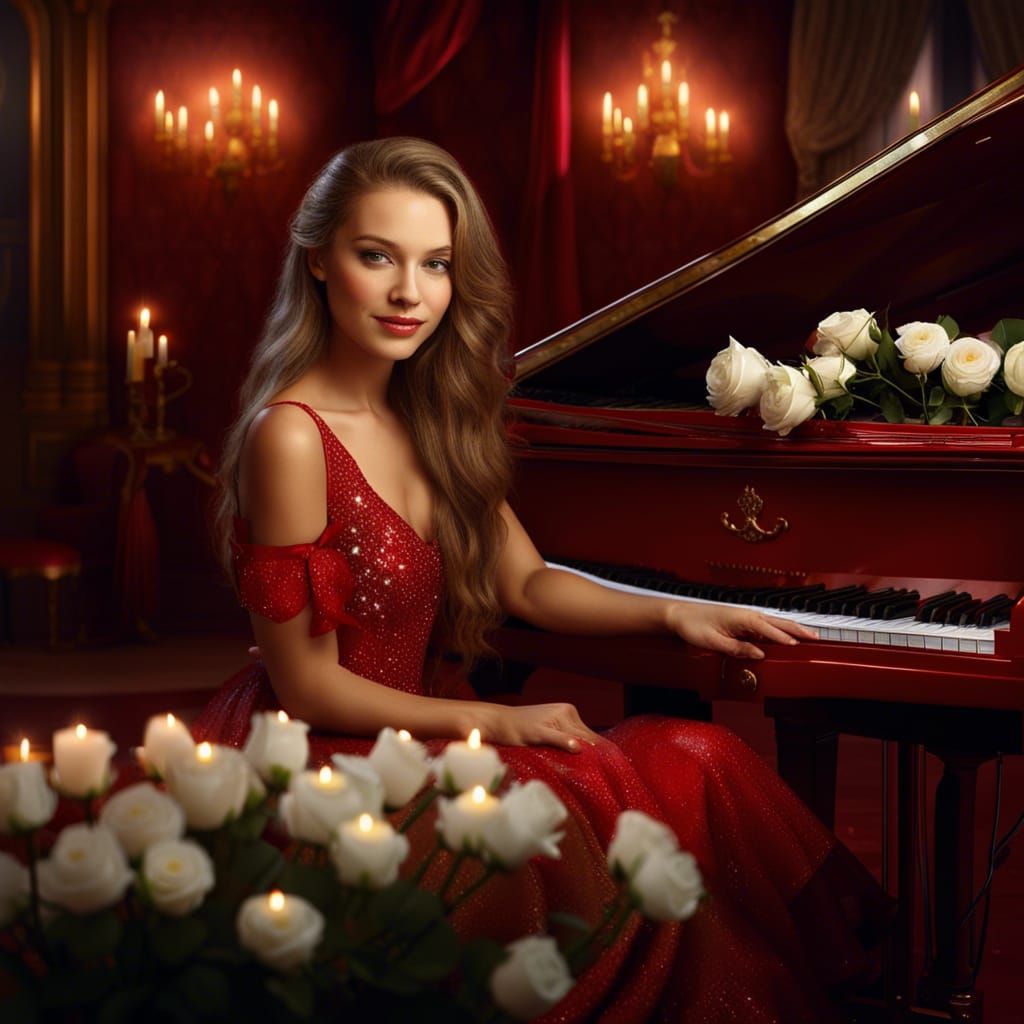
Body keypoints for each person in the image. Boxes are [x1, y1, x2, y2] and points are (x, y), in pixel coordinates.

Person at [195, 137, 889, 1022]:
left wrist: (675, 612)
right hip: (341, 760)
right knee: (574, 819)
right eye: (378, 257)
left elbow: (525, 584)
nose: (410, 292)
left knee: (704, 757)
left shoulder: (426, 416)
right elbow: (307, 687)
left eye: (436, 264)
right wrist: (495, 720)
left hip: (435, 731)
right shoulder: (290, 435)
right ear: (320, 260)